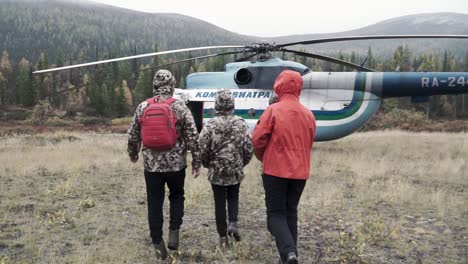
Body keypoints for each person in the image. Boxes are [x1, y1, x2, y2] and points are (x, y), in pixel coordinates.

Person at [127, 69, 201, 260]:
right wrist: (197, 161)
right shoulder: (180, 107)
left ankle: (157, 243)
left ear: (155, 85)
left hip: (152, 166)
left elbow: (133, 135)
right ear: (172, 84)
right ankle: (174, 233)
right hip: (176, 165)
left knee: (154, 202)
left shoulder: (143, 106)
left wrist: (133, 154)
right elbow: (193, 136)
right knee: (177, 196)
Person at [252, 70, 316, 264]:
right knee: (291, 212)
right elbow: (309, 141)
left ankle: (289, 252)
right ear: (299, 87)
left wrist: (264, 157)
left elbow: (257, 139)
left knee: (275, 215)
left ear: (279, 86)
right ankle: (288, 257)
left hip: (275, 171)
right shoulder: (308, 114)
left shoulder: (273, 110)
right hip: (300, 172)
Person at [198, 89, 253, 248]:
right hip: (235, 168)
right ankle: (233, 223)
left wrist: (208, 164)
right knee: (234, 196)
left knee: (219, 202)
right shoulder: (241, 123)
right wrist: (241, 163)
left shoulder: (210, 125)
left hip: (216, 170)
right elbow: (249, 148)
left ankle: (223, 237)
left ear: (217, 105)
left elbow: (202, 149)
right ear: (232, 104)